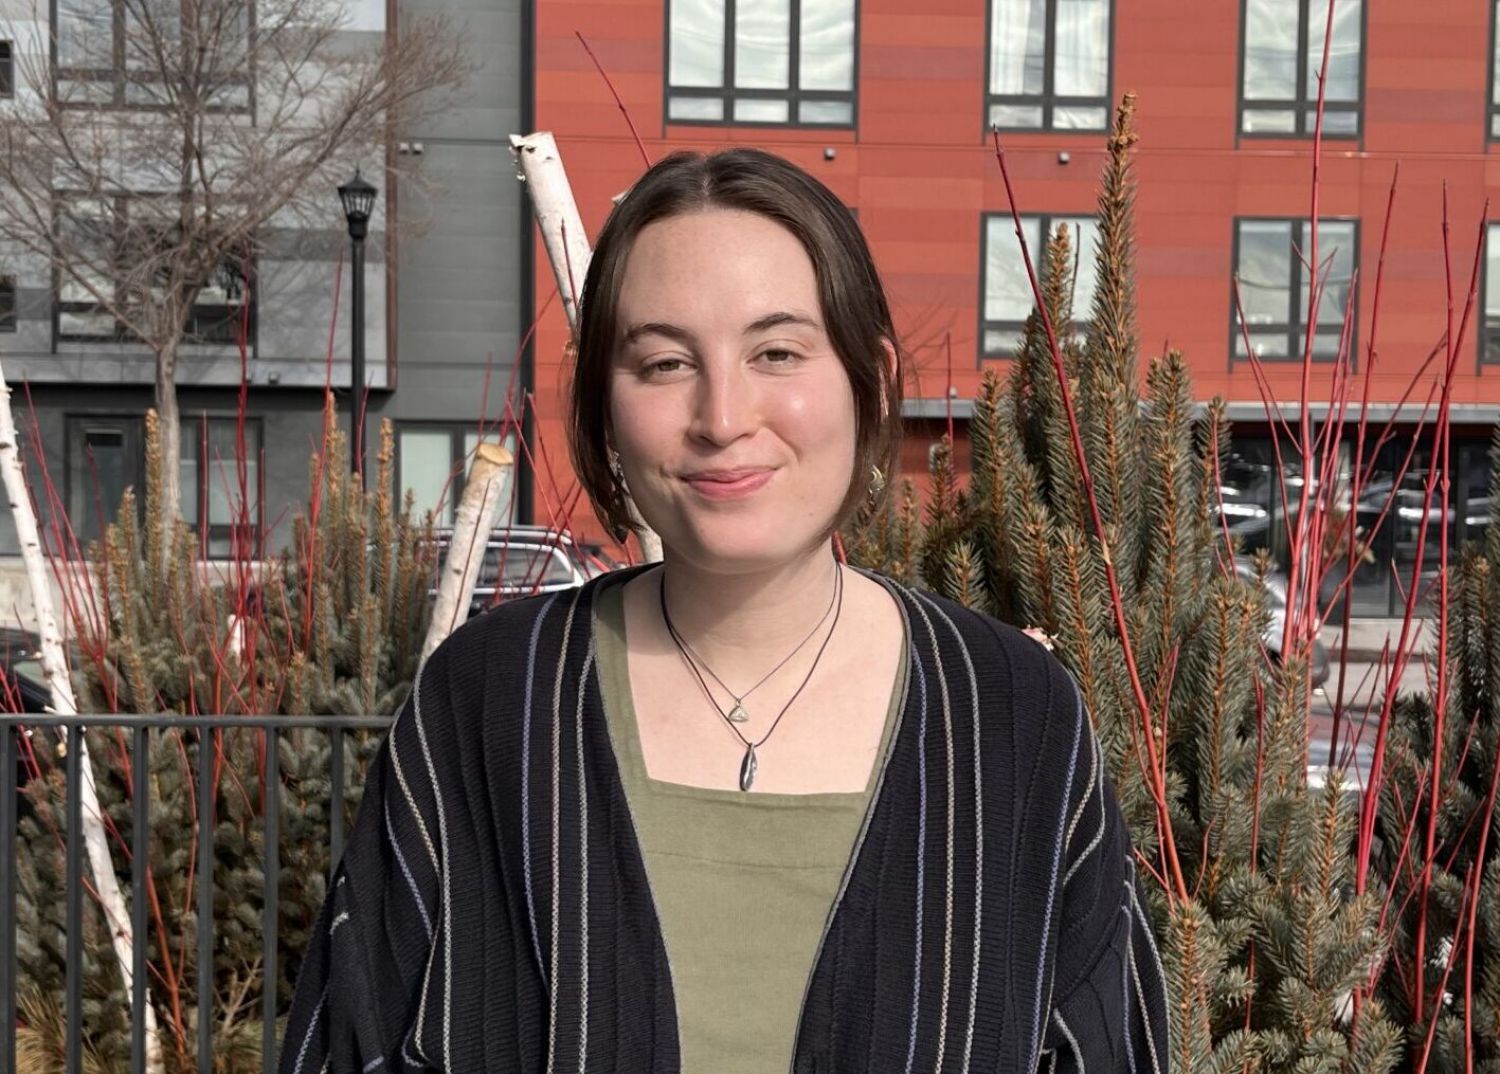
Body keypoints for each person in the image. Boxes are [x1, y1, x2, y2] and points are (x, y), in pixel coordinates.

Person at [280, 147, 1168, 1073]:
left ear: (870, 377)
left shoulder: (1015, 721)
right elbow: (351, 1039)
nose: (722, 415)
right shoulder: (487, 707)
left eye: (776, 351)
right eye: (664, 363)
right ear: (606, 404)